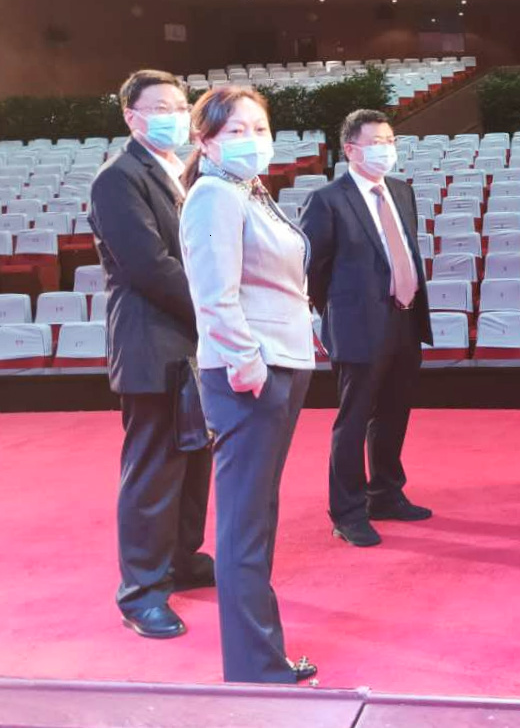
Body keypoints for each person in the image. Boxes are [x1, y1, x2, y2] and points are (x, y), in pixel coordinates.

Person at [179, 86, 318, 683]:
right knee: (244, 523)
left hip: (279, 364)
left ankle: (261, 657)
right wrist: (246, 363)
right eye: (236, 130)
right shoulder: (213, 196)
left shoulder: (248, 191)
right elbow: (214, 294)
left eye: (260, 129)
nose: (253, 140)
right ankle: (255, 666)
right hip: (250, 376)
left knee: (257, 515)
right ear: (205, 140)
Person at [88, 70, 213, 640]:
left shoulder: (179, 171)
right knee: (154, 470)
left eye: (179, 105)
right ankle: (141, 593)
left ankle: (182, 559)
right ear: (131, 116)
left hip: (190, 342)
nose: (173, 115)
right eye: (159, 106)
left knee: (193, 459)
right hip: (152, 344)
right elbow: (150, 266)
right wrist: (215, 310)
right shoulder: (118, 178)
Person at [300, 110, 433, 548]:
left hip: (404, 317)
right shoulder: (327, 200)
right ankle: (348, 512)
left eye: (390, 140)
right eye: (375, 142)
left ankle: (386, 493)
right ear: (350, 150)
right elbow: (311, 269)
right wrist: (339, 314)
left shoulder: (401, 191)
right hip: (357, 325)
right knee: (354, 419)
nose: (385, 149)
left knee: (394, 412)